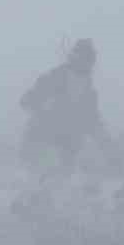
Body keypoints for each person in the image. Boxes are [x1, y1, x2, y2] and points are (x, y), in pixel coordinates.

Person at [20, 38, 106, 174]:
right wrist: (41, 114)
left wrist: (107, 146)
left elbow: (93, 120)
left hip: (67, 148)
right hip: (43, 145)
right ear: (75, 57)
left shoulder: (88, 90)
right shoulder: (56, 77)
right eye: (85, 59)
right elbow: (27, 100)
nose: (89, 65)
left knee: (63, 180)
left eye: (90, 60)